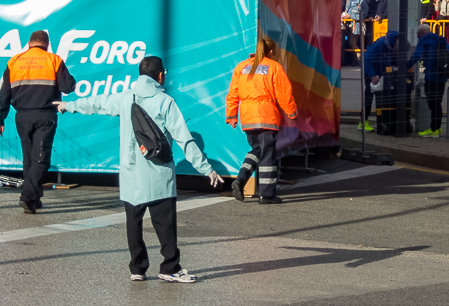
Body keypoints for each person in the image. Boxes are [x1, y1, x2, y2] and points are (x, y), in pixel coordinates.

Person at [56, 56, 220, 283]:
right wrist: (206, 169)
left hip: (130, 172)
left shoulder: (125, 98)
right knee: (164, 223)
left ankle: (138, 268)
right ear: (161, 75)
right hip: (158, 173)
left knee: (133, 222)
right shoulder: (165, 101)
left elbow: (97, 103)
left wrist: (68, 105)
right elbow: (184, 139)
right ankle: (169, 267)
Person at [0, 30, 76, 214]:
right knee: (42, 159)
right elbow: (67, 87)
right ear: (46, 44)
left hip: (21, 116)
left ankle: (34, 200)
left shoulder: (14, 61)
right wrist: (71, 80)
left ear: (29, 44)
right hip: (45, 115)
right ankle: (27, 195)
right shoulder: (53, 60)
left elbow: (4, 93)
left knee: (29, 158)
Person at [226, 36, 299, 204]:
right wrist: (292, 112)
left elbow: (233, 94)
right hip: (267, 116)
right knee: (268, 156)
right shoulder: (274, 67)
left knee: (257, 149)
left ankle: (241, 179)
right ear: (271, 52)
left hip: (247, 117)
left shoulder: (241, 67)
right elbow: (284, 94)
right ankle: (267, 195)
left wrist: (231, 115)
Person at [408, 24, 449, 137]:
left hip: (432, 76)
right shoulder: (441, 40)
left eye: (418, 35)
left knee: (432, 103)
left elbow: (416, 56)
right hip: (442, 76)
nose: (418, 37)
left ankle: (434, 130)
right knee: (438, 102)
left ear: (422, 32)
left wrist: (405, 66)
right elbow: (448, 54)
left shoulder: (424, 41)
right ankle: (437, 128)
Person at [362, 30, 401, 132]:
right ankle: (363, 122)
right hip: (373, 73)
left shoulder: (390, 46)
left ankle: (383, 119)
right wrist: (372, 75)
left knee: (383, 96)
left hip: (381, 73)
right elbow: (368, 59)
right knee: (369, 95)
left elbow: (392, 61)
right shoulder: (379, 45)